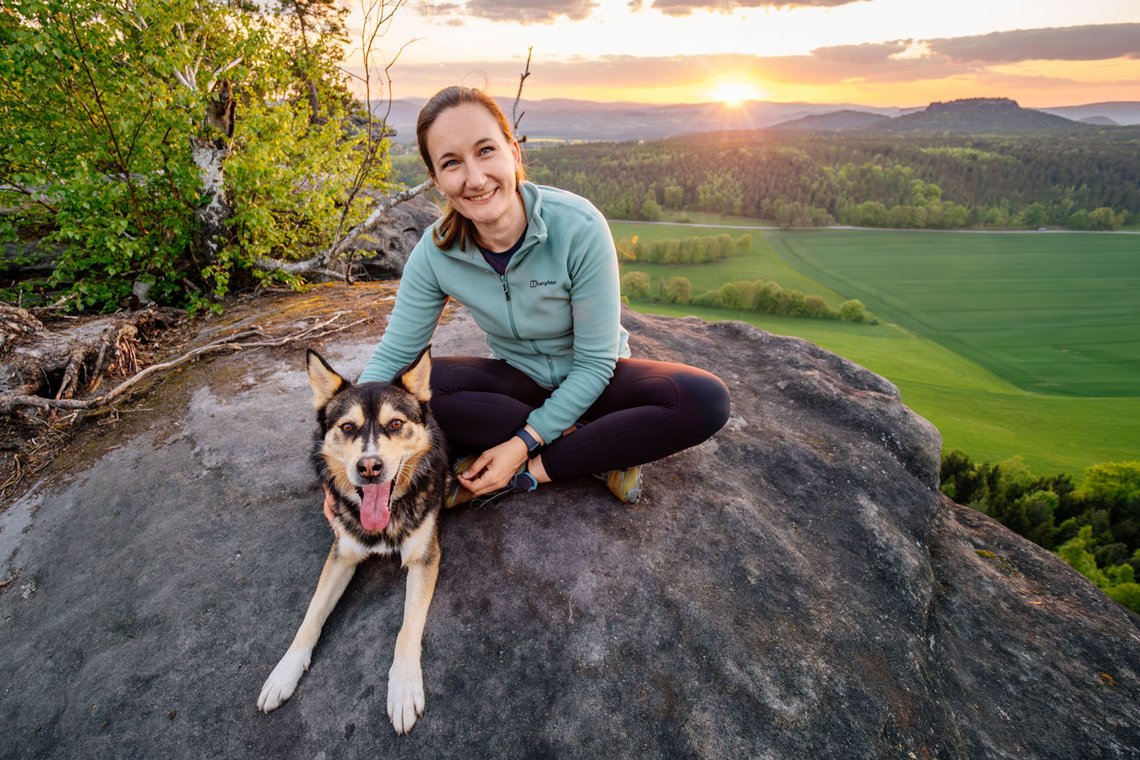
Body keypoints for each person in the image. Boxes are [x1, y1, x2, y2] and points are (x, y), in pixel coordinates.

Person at [349, 85, 730, 508]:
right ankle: (600, 448)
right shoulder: (436, 252)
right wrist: (353, 451)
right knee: (415, 384)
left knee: (703, 399)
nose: (475, 178)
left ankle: (529, 470)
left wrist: (521, 446)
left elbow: (595, 363)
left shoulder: (578, 226)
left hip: (600, 385)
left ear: (513, 153)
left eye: (485, 151)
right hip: (518, 385)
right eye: (452, 163)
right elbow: (394, 355)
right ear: (437, 180)